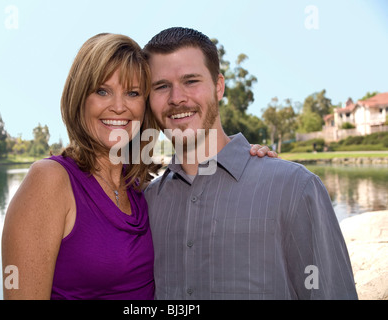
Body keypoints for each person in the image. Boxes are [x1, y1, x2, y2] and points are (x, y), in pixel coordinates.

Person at [1, 32, 274, 300]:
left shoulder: (143, 191)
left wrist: (250, 162)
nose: (119, 107)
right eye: (102, 91)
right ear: (79, 98)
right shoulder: (50, 180)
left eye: (132, 93)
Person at [143, 27, 358, 300]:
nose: (176, 98)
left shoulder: (294, 188)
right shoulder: (149, 202)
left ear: (219, 86)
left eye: (191, 81)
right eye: (161, 86)